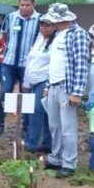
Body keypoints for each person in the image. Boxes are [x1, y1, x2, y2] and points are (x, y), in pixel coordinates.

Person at [43, 3, 90, 178]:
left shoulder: (78, 35)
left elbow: (80, 65)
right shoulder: (58, 34)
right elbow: (54, 63)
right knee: (54, 126)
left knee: (67, 127)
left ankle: (69, 163)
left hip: (67, 87)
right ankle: (56, 159)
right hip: (54, 85)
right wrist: (48, 86)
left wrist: (77, 92)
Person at [0, 0, 41, 136]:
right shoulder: (11, 17)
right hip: (9, 62)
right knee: (5, 92)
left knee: (26, 95)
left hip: (28, 65)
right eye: (21, 5)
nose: (24, 8)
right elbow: (4, 34)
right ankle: (0, 123)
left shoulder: (40, 20)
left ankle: (25, 127)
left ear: (33, 4)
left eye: (27, 5)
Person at [22, 16, 55, 154]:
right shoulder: (39, 38)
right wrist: (26, 80)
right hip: (33, 79)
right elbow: (30, 59)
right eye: (42, 25)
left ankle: (32, 144)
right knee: (44, 113)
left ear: (54, 27)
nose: (43, 28)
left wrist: (47, 84)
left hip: (44, 80)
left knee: (37, 111)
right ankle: (47, 143)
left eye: (47, 26)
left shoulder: (56, 42)